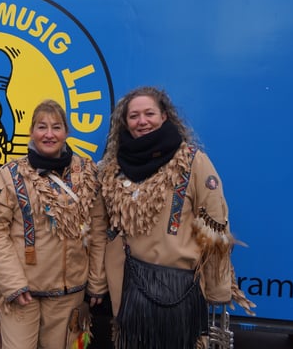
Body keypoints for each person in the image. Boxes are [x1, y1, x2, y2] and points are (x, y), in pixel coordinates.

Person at [98, 86, 255, 349]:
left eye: (149, 113)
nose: (142, 121)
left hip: (177, 295)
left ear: (164, 116)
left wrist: (217, 290)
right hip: (128, 294)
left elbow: (215, 228)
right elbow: (100, 229)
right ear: (125, 123)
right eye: (134, 116)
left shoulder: (192, 162)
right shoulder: (112, 169)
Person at [0, 99, 108, 349]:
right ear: (31, 131)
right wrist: (12, 283)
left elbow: (97, 230)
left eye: (56, 127)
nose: (49, 134)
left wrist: (96, 281)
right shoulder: (7, 173)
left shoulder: (87, 173)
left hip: (70, 295)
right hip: (22, 293)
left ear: (66, 132)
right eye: (42, 127)